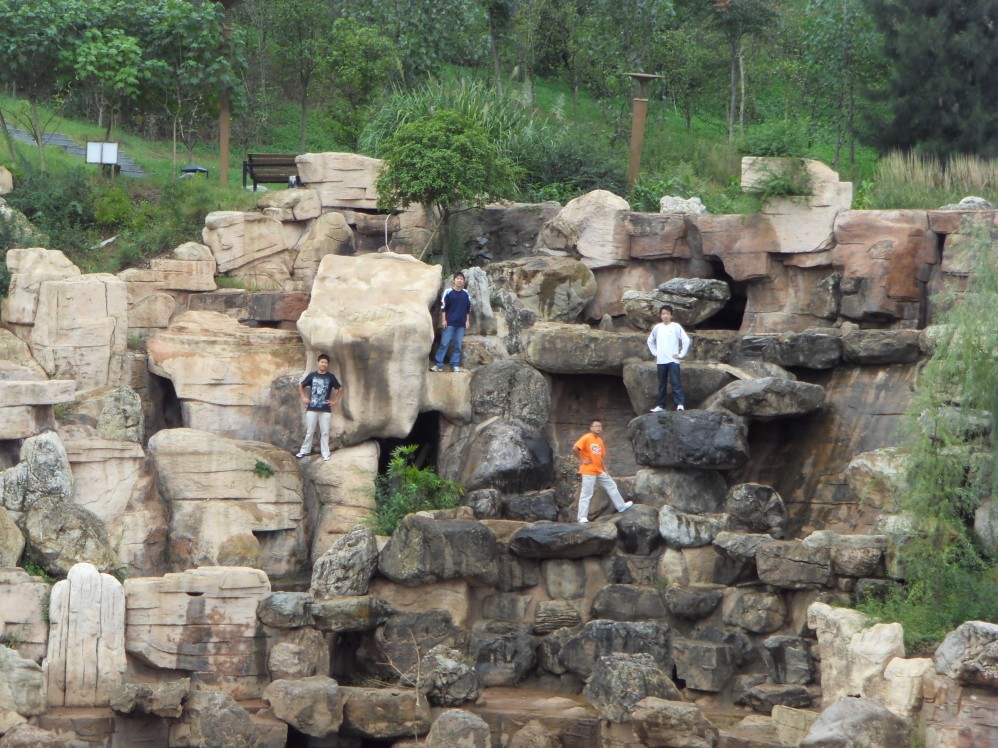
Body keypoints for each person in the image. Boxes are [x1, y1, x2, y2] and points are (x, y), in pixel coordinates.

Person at [573, 419, 633, 523]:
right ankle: (582, 517)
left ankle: (621, 506)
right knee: (587, 493)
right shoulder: (587, 438)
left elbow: (600, 457)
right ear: (591, 428)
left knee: (611, 485)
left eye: (599, 426)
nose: (598, 428)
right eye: (595, 426)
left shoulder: (599, 441)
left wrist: (606, 471)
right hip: (588, 470)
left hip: (599, 470)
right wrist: (582, 459)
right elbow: (575, 448)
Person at [296, 353, 342, 461]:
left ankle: (325, 453)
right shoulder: (312, 375)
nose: (324, 364)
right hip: (312, 407)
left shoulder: (331, 377)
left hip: (325, 409)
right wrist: (304, 397)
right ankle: (304, 451)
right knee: (309, 431)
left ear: (328, 364)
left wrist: (335, 400)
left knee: (325, 432)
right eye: (322, 362)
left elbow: (340, 388)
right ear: (317, 363)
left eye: (326, 363)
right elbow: (301, 385)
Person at [647, 304, 691, 412]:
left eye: (667, 314)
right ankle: (661, 406)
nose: (665, 316)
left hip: (673, 360)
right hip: (661, 361)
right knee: (662, 384)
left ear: (671, 315)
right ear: (660, 315)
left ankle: (680, 404)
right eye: (663, 314)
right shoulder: (658, 328)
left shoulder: (676, 327)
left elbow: (686, 340)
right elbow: (650, 341)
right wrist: (655, 353)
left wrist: (681, 354)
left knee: (676, 382)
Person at [430, 272, 471, 373]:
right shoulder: (448, 292)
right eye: (458, 278)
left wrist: (467, 321)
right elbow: (443, 308)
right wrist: (444, 320)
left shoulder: (466, 294)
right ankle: (439, 365)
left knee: (458, 346)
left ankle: (454, 365)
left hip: (461, 324)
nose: (460, 280)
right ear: (454, 280)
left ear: (463, 281)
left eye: (461, 279)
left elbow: (468, 309)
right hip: (449, 323)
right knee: (444, 344)